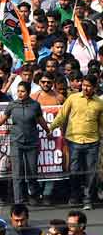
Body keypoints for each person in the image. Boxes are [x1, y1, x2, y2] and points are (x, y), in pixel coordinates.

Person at [0, 81, 50, 205]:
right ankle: (18, 200)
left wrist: (48, 130)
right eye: (18, 91)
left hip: (32, 143)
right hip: (16, 142)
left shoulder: (35, 106)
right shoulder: (12, 105)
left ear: (28, 92)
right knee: (17, 173)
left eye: (23, 91)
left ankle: (33, 195)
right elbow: (1, 119)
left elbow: (40, 120)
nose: (20, 94)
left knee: (32, 171)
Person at [49, 74, 103, 209]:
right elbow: (62, 115)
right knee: (74, 170)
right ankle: (75, 196)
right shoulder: (73, 99)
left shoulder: (99, 103)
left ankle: (88, 199)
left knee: (91, 172)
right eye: (84, 85)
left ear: (95, 87)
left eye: (89, 86)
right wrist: (51, 128)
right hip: (74, 140)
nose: (85, 88)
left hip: (93, 142)